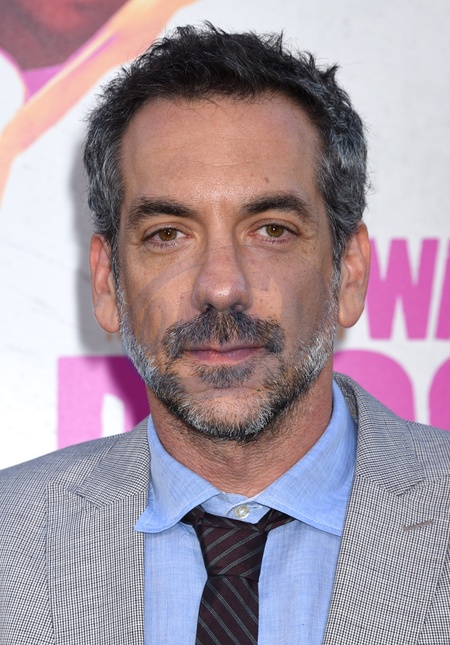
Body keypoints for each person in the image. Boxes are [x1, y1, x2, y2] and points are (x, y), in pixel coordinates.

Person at [1, 24, 450, 645]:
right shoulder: (13, 538)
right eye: (168, 234)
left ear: (349, 271)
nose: (220, 286)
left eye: (271, 230)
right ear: (107, 283)